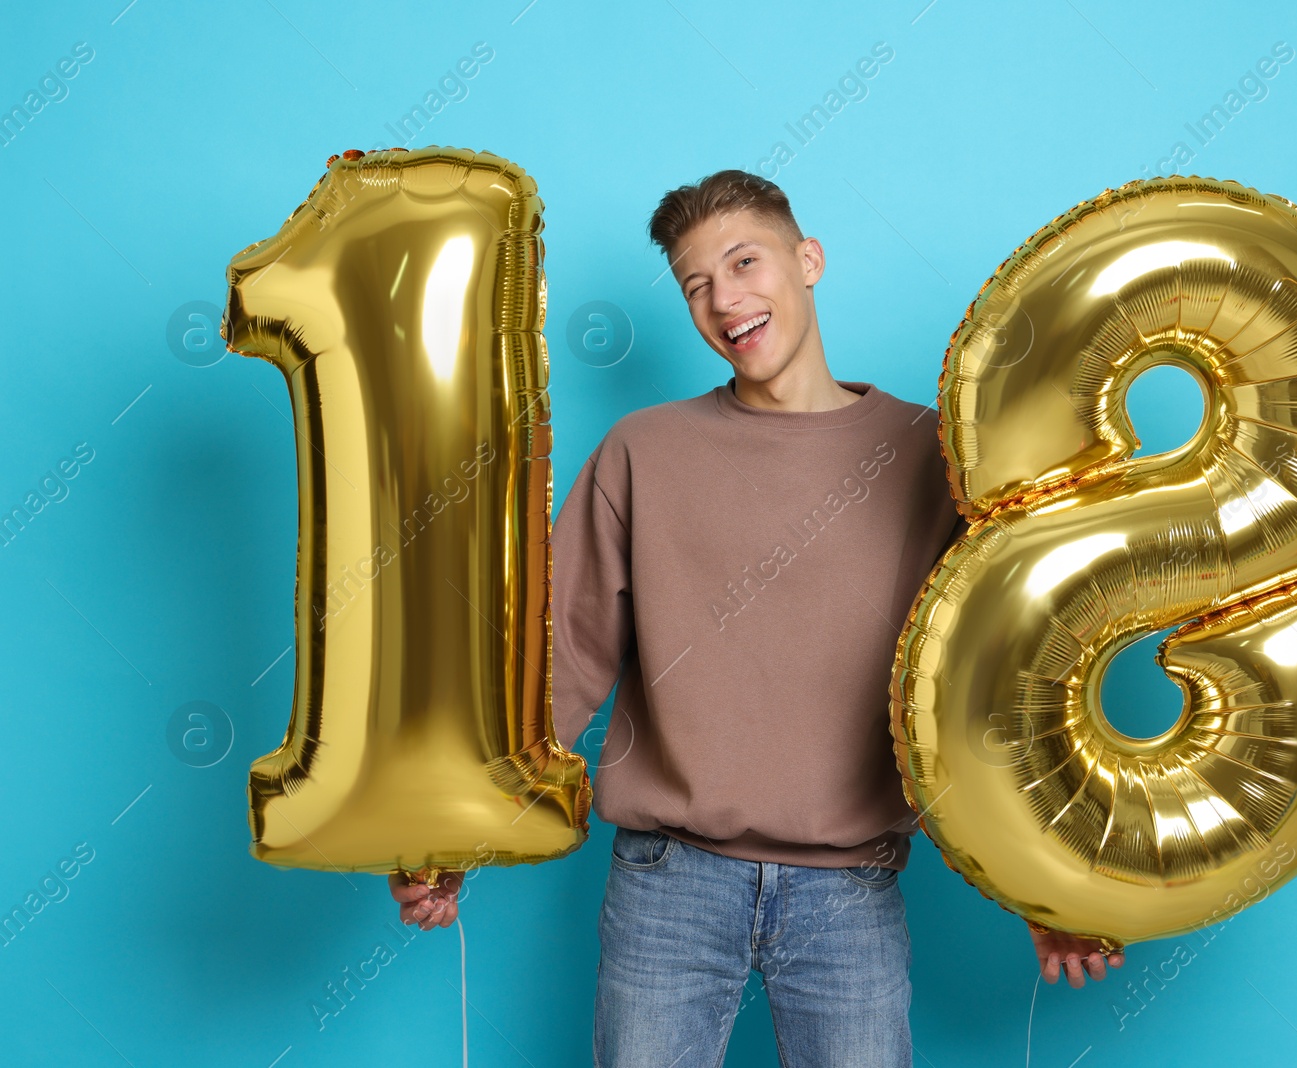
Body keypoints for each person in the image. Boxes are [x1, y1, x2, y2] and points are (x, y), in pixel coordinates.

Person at [390, 169, 1123, 1065]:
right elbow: (559, 661)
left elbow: (979, 700)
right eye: (697, 285)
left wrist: (1036, 894)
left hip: (849, 893)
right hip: (668, 886)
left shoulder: (935, 460)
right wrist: (458, 828)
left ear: (807, 260)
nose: (724, 298)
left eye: (744, 262)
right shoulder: (640, 453)